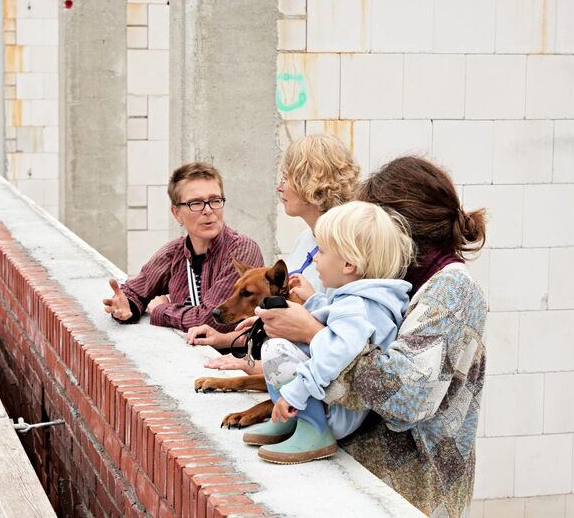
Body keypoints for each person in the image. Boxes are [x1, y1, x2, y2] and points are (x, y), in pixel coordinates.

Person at [249, 157, 486, 517]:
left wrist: (313, 334)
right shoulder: (396, 279)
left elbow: (408, 397)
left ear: (403, 228)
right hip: (370, 482)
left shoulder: (452, 290)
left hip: (411, 493)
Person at [245, 201, 413, 464]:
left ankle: (312, 430)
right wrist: (313, 301)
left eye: (321, 251)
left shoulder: (356, 305)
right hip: (340, 405)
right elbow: (341, 327)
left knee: (276, 349)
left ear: (348, 264)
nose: (314, 258)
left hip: (335, 413)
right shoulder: (365, 300)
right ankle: (292, 422)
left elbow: (336, 351)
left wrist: (295, 392)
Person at [185, 135, 360, 362]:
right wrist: (227, 339)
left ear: (311, 182)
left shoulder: (347, 251)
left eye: (286, 178)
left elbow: (338, 347)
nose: (279, 187)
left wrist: (251, 368)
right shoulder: (306, 238)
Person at [103, 162, 263, 331]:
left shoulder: (241, 251)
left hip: (230, 355)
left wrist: (161, 310)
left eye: (215, 201)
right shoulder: (174, 252)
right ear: (177, 213)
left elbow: (213, 320)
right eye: (196, 203)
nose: (208, 210)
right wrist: (124, 305)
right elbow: (135, 291)